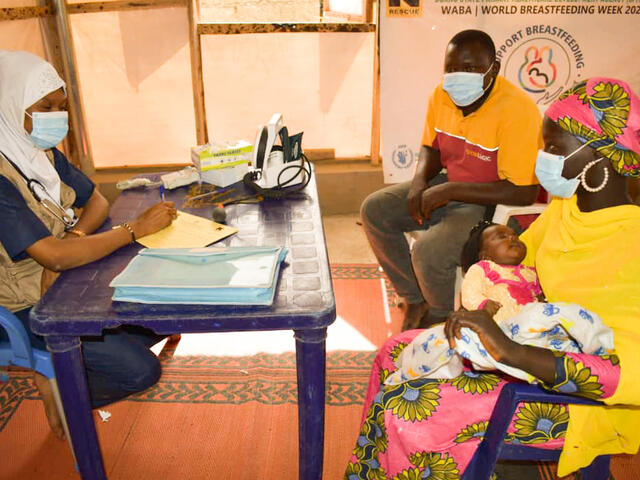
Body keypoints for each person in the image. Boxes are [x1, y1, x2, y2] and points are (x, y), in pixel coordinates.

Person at [345, 77, 640, 479]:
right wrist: (483, 303)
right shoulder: (568, 210)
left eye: (554, 148)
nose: (544, 156)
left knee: (408, 410)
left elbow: (629, 372)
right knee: (392, 354)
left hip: (573, 396)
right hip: (526, 343)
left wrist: (510, 351)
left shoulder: (632, 243)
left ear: (600, 160)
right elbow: (514, 268)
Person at [0, 50, 177, 438]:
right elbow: (51, 256)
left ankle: (71, 364)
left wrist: (73, 238)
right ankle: (61, 389)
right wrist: (131, 230)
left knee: (163, 309)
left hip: (64, 277)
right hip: (25, 307)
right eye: (45, 106)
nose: (56, 117)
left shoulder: (40, 152)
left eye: (60, 107)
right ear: (10, 101)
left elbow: (95, 200)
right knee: (140, 370)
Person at [361, 29, 542, 330]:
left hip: (490, 202)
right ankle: (414, 297)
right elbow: (430, 147)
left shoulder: (517, 110)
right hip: (449, 183)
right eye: (452, 68)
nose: (458, 76)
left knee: (429, 252)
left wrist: (449, 190)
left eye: (470, 68)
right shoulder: (442, 95)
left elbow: (524, 192)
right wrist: (420, 182)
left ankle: (440, 316)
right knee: (375, 210)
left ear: (492, 68)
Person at [385, 221, 612, 385]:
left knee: (562, 315)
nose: (512, 238)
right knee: (437, 341)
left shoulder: (532, 272)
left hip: (530, 330)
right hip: (498, 329)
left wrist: (543, 301)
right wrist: (483, 305)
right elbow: (470, 292)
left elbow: (543, 298)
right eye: (501, 236)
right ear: (484, 254)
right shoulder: (484, 269)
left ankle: (598, 355)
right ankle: (411, 371)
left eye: (514, 235)